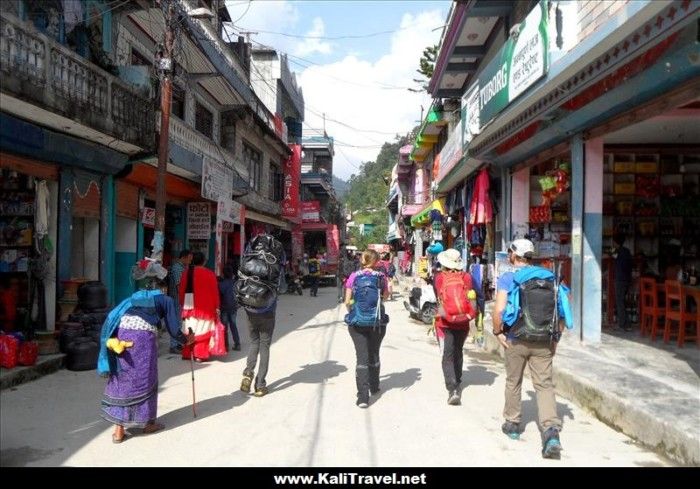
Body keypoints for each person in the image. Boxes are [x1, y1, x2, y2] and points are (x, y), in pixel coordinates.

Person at [99, 259, 194, 444]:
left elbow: (117, 317)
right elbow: (174, 330)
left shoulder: (134, 297)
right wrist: (187, 340)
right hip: (143, 339)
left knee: (123, 377)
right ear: (163, 286)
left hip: (122, 335)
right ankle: (148, 424)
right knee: (146, 379)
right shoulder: (165, 300)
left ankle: (118, 430)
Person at [492, 239, 569, 459]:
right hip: (544, 340)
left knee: (513, 381)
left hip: (516, 338)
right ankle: (551, 433)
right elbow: (562, 311)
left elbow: (498, 311)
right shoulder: (549, 277)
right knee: (544, 385)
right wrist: (556, 338)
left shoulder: (508, 278)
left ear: (513, 256)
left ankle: (513, 424)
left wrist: (498, 332)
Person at [240, 234, 286, 397]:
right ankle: (260, 385)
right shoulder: (276, 259)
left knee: (254, 342)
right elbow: (282, 287)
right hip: (267, 308)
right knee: (264, 345)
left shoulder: (250, 253)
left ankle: (248, 373)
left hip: (249, 305)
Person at [344, 250, 389, 408]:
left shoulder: (354, 276)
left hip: (357, 323)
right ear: (376, 261)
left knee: (361, 358)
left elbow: (347, 301)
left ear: (363, 260)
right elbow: (385, 297)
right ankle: (375, 386)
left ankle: (363, 397)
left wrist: (355, 310)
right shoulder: (381, 277)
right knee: (374, 353)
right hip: (377, 323)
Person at [433, 249, 475, 406]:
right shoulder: (467, 277)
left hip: (444, 322)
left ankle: (453, 389)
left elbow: (438, 298)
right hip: (464, 321)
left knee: (447, 354)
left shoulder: (438, 278)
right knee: (458, 350)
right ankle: (457, 379)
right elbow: (475, 296)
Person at [179, 252, 220, 363]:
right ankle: (200, 355)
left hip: (189, 307)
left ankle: (187, 353)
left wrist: (182, 304)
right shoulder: (210, 274)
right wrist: (217, 306)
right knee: (203, 330)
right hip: (206, 308)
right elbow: (215, 292)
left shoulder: (186, 273)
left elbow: (181, 290)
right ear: (204, 261)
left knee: (190, 330)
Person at [167, 249, 192, 354]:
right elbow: (179, 285)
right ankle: (173, 345)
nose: (190, 262)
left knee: (179, 322)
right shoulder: (177, 268)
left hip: (179, 297)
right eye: (189, 259)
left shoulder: (182, 267)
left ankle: (177, 343)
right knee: (176, 322)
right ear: (184, 258)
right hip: (176, 298)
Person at [612, 234, 633, 332]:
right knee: (622, 302)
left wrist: (612, 249)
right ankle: (627, 323)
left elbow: (610, 257)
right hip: (627, 280)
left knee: (620, 302)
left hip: (620, 279)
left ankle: (622, 324)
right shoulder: (627, 251)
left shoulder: (616, 251)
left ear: (616, 243)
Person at [218, 264, 240, 351]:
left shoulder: (221, 284)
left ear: (223, 274)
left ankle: (225, 345)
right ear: (232, 273)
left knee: (224, 326)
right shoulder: (235, 283)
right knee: (233, 325)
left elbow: (219, 296)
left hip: (224, 308)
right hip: (233, 307)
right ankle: (237, 343)